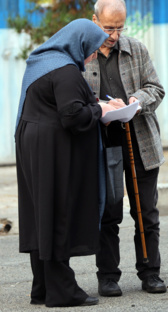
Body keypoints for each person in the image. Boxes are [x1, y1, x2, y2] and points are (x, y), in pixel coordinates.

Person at [15, 19, 118, 308]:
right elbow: (72, 115)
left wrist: (95, 105)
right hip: (51, 149)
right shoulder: (66, 71)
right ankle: (63, 291)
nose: (94, 55)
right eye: (93, 49)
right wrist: (101, 109)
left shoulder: (44, 60)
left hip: (33, 143)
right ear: (80, 43)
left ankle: (43, 288)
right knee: (57, 212)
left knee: (41, 214)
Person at [84, 0, 167, 296]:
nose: (115, 35)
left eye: (119, 27)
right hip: (104, 141)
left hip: (140, 138)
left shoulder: (137, 50)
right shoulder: (82, 55)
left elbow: (156, 89)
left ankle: (150, 272)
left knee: (146, 212)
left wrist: (135, 101)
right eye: (108, 27)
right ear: (94, 21)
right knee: (108, 212)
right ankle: (107, 276)